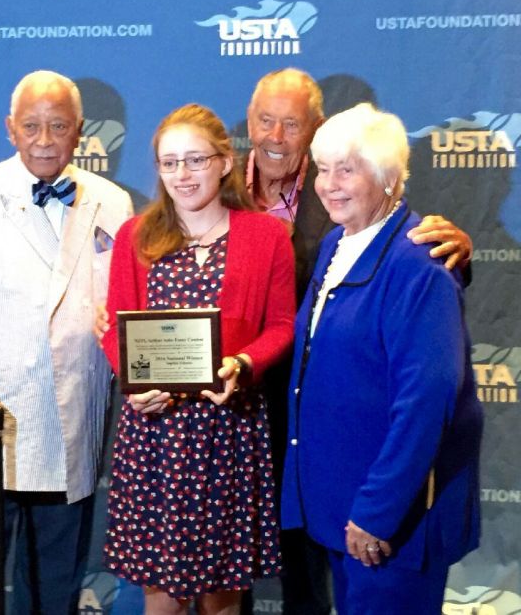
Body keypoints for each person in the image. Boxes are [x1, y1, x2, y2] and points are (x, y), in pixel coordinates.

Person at [245, 67, 474, 615]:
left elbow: (425, 403)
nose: (328, 185)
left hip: (385, 517)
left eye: (346, 171)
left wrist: (378, 511)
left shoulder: (420, 263)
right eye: (323, 170)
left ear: (388, 177)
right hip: (331, 498)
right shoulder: (334, 245)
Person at [0, 70, 133, 614]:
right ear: (9, 129)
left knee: (53, 596)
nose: (43, 139)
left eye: (57, 126)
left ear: (79, 132)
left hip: (71, 431)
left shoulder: (113, 202)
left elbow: (125, 316)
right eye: (31, 125)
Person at [101, 103, 295, 614]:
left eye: (195, 160)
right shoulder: (135, 236)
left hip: (228, 433)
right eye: (169, 163)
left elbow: (280, 326)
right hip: (154, 437)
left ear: (225, 162)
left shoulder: (267, 236)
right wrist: (135, 383)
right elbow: (115, 331)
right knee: (160, 596)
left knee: (222, 598)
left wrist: (243, 365)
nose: (181, 175)